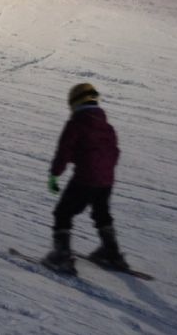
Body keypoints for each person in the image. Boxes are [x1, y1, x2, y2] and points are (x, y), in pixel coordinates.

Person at [43, 82, 127, 275]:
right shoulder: (107, 126)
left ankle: (61, 255)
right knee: (101, 213)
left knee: (62, 213)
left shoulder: (75, 124)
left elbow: (64, 151)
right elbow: (113, 152)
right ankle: (111, 252)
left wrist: (55, 175)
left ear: (74, 103)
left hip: (85, 179)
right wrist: (103, 170)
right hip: (106, 180)